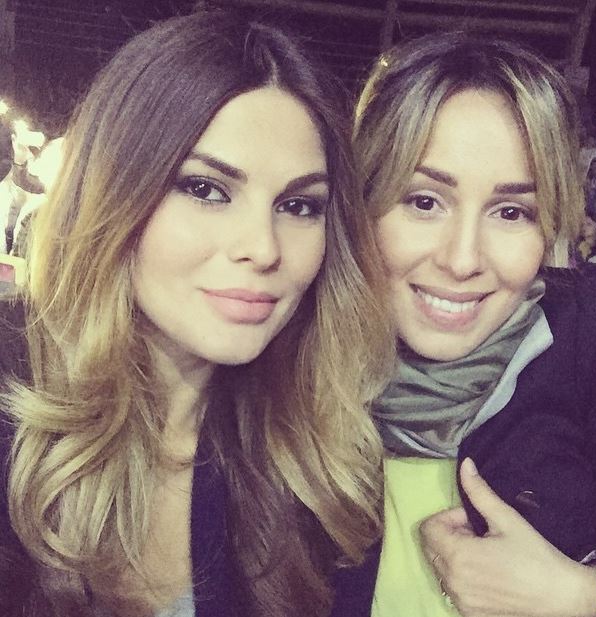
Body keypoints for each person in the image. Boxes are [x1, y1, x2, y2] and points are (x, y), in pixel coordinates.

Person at [0, 11, 393, 617]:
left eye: (298, 205)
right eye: (206, 189)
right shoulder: (13, 404)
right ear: (113, 190)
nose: (263, 248)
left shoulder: (321, 464)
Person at [332, 33, 596, 617]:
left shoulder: (594, 335)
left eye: (511, 212)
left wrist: (588, 595)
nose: (462, 260)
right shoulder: (282, 370)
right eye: (424, 201)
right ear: (361, 203)